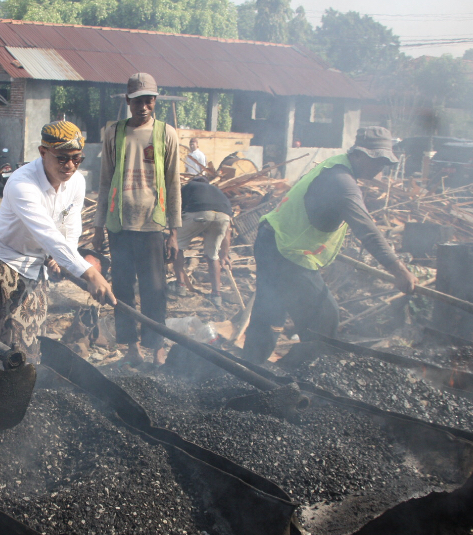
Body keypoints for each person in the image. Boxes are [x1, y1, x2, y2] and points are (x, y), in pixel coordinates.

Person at [242, 126, 417, 364]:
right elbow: (367, 230)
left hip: (272, 241)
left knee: (270, 313)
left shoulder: (335, 167)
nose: (380, 167)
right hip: (286, 252)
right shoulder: (341, 182)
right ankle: (291, 374)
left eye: (385, 162)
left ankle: (250, 369)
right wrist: (398, 269)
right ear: (358, 154)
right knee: (323, 318)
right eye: (376, 160)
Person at [0, 121, 116, 360]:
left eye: (77, 158)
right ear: (43, 152)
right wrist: (90, 274)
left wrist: (62, 260)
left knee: (36, 340)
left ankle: (30, 381)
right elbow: (47, 233)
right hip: (6, 259)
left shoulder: (76, 182)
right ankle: (9, 383)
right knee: (15, 347)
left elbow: (70, 227)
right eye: (62, 158)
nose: (70, 166)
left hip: (37, 261)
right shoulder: (22, 184)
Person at [93, 72, 180, 366]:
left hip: (151, 224)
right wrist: (97, 227)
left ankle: (156, 348)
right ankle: (131, 348)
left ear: (155, 101)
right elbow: (105, 182)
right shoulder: (113, 133)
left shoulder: (166, 134)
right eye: (137, 101)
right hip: (119, 224)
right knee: (122, 289)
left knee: (155, 289)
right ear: (128, 101)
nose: (143, 107)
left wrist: (174, 232)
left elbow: (173, 184)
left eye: (148, 100)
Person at [171, 175, 233, 308]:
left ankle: (180, 285)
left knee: (178, 244)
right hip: (223, 218)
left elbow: (176, 209)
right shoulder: (218, 192)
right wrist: (224, 255)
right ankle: (216, 294)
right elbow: (227, 231)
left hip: (200, 213)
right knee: (213, 255)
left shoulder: (190, 186)